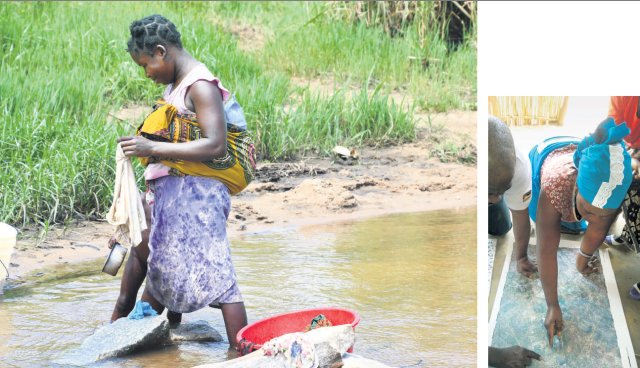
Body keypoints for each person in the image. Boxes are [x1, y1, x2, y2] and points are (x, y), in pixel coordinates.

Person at [110, 14, 253, 351]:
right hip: (176, 196)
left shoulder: (200, 85)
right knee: (162, 270)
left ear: (161, 52)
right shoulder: (176, 85)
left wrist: (151, 147)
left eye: (146, 65)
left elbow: (215, 143)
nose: (147, 73)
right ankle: (157, 339)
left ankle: (243, 352)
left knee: (219, 277)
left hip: (199, 198)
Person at [529, 118, 632, 346]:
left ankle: (580, 211)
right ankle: (567, 211)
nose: (592, 219)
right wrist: (552, 304)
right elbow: (546, 251)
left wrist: (583, 259)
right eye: (587, 209)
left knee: (585, 223)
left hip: (584, 166)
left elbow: (598, 226)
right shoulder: (556, 186)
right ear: (576, 185)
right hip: (547, 154)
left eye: (602, 215)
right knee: (546, 222)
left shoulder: (608, 196)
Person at [488, 116, 536, 277]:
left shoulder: (520, 169)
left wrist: (521, 257)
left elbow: (520, 215)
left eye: (503, 190)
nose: (496, 199)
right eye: (490, 193)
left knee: (499, 229)